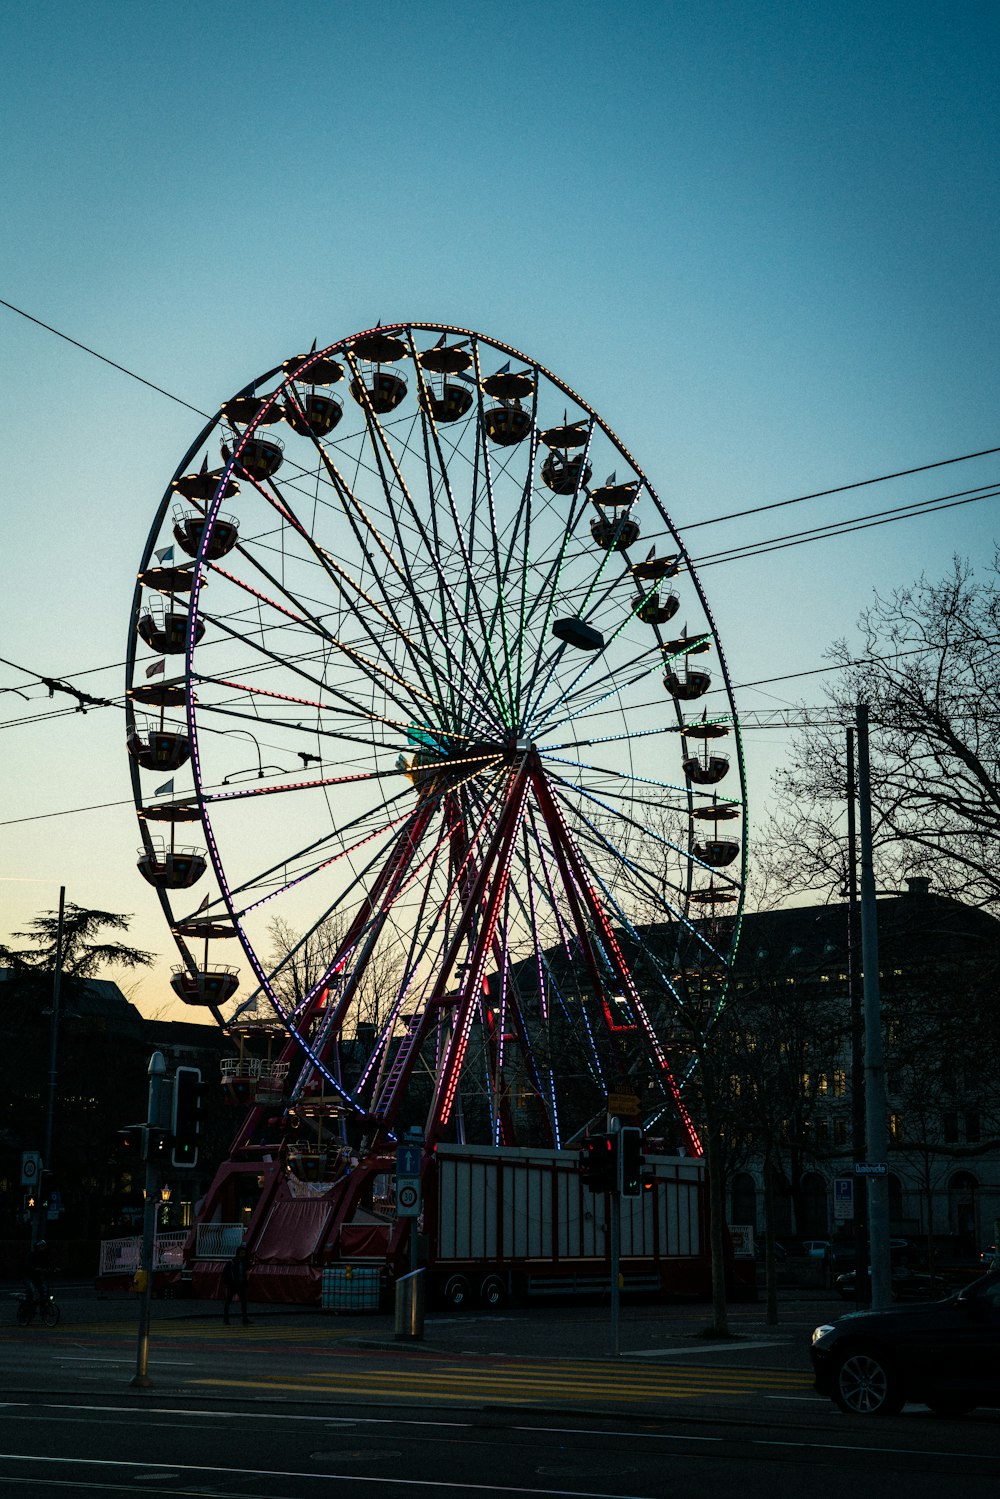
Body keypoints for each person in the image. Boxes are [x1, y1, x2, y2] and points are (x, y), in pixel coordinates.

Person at [222, 1243, 251, 1325]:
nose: (243, 1255)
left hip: (240, 1284)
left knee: (243, 1302)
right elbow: (225, 1273)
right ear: (238, 1253)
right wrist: (229, 1282)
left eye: (244, 1253)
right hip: (233, 1284)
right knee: (228, 1301)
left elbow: (245, 1273)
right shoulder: (232, 1262)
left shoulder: (243, 1262)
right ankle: (226, 1319)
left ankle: (244, 1319)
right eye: (242, 1253)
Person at [23, 1240, 49, 1312]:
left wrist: (53, 1268)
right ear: (37, 1248)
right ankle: (27, 1306)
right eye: (41, 1247)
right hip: (28, 1277)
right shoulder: (31, 1255)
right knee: (32, 1290)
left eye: (43, 1247)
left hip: (37, 1277)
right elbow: (27, 1264)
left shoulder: (44, 1256)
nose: (42, 1248)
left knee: (43, 1291)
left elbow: (47, 1264)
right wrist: (35, 1269)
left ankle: (42, 1307)